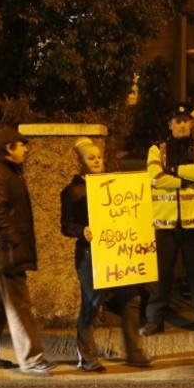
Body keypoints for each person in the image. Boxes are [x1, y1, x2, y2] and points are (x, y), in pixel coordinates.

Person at [60, 138, 152, 371]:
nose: (97, 160)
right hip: (90, 255)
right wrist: (82, 230)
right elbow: (66, 225)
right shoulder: (73, 191)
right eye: (91, 158)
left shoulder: (113, 186)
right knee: (92, 304)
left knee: (132, 298)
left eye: (99, 156)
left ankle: (134, 351)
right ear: (80, 162)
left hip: (118, 252)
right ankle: (88, 356)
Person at [0, 128, 56, 374]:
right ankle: (32, 358)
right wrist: (14, 240)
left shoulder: (8, 172)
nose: (26, 149)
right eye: (22, 145)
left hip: (5, 252)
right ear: (9, 147)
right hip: (6, 253)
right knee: (19, 305)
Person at [139, 102, 194, 337]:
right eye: (178, 121)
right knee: (160, 276)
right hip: (164, 222)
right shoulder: (157, 148)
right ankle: (154, 319)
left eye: (186, 120)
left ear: (191, 122)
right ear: (170, 124)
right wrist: (186, 177)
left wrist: (171, 172)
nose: (182, 124)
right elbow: (154, 178)